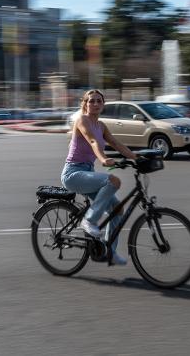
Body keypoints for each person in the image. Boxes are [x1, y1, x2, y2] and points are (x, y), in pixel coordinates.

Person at [61, 89, 138, 266]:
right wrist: (103, 159)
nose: (95, 104)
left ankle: (109, 252)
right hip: (73, 173)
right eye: (91, 101)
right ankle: (89, 220)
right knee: (113, 180)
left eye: (99, 101)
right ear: (85, 104)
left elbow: (117, 144)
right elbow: (93, 141)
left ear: (103, 104)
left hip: (87, 172)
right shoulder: (82, 120)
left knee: (118, 209)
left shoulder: (101, 125)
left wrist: (137, 158)